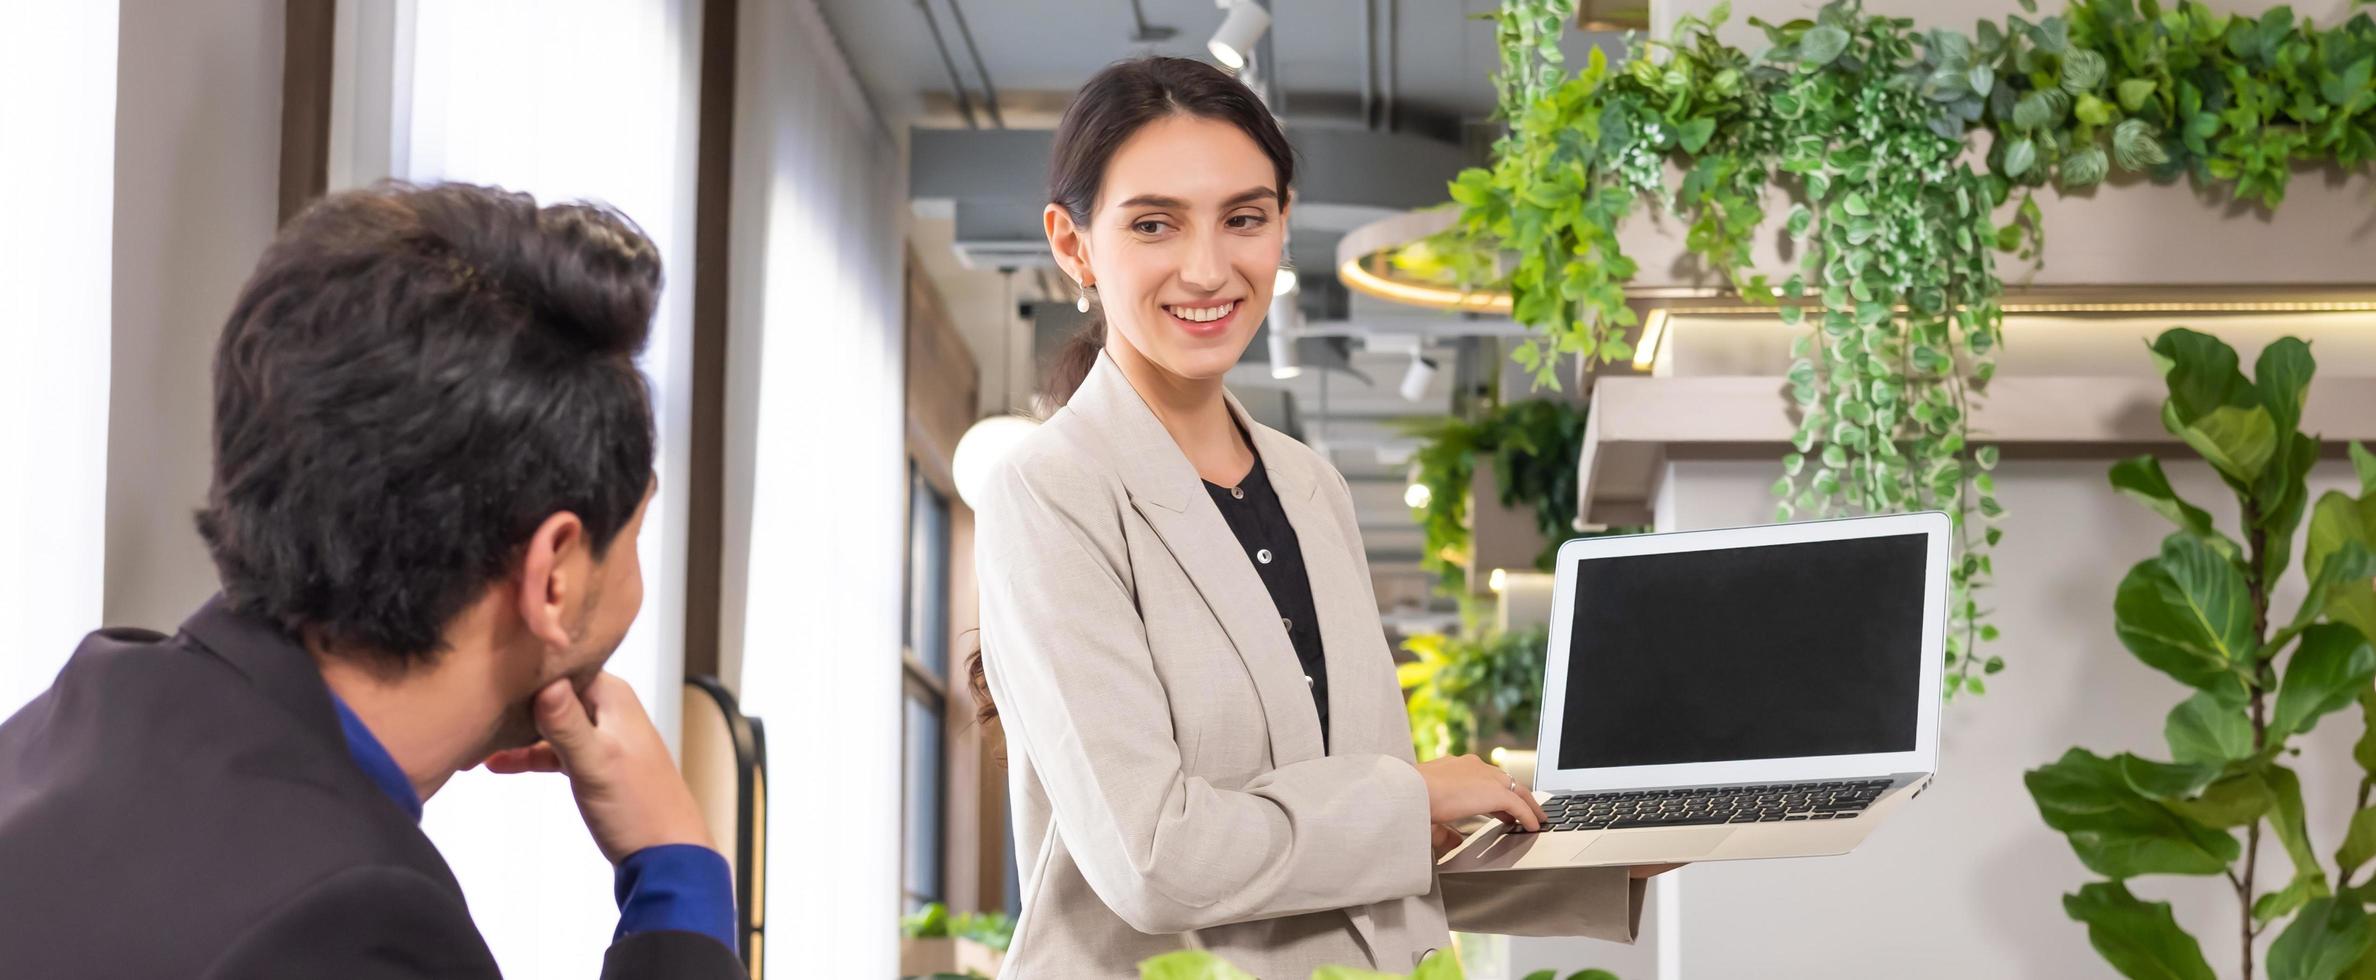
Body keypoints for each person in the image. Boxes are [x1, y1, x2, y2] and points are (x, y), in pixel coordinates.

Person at [967, 57, 1667, 977]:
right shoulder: (1049, 490)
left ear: (1283, 226)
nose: (1209, 267)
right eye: (1154, 224)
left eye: (1244, 218)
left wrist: (1623, 838)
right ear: (1074, 245)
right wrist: (1409, 796)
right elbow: (1156, 863)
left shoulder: (1308, 485)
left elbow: (1351, 858)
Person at [0, 183, 743, 979]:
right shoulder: (361, 931)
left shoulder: (75, 713)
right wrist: (678, 875)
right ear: (553, 576)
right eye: (636, 530)